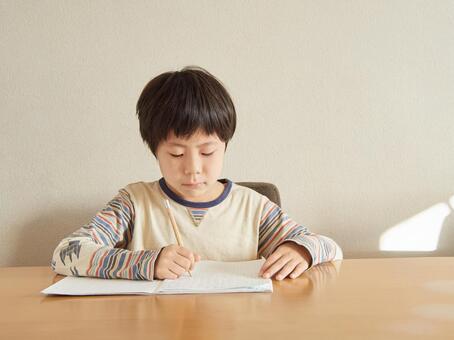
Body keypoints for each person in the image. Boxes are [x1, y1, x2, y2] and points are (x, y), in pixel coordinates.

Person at [51, 66, 342, 281]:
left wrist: (302, 250)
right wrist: (146, 263)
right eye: (176, 154)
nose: (193, 168)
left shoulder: (253, 208)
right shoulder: (134, 203)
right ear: (154, 150)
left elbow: (330, 247)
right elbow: (66, 253)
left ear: (225, 145)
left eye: (207, 152)